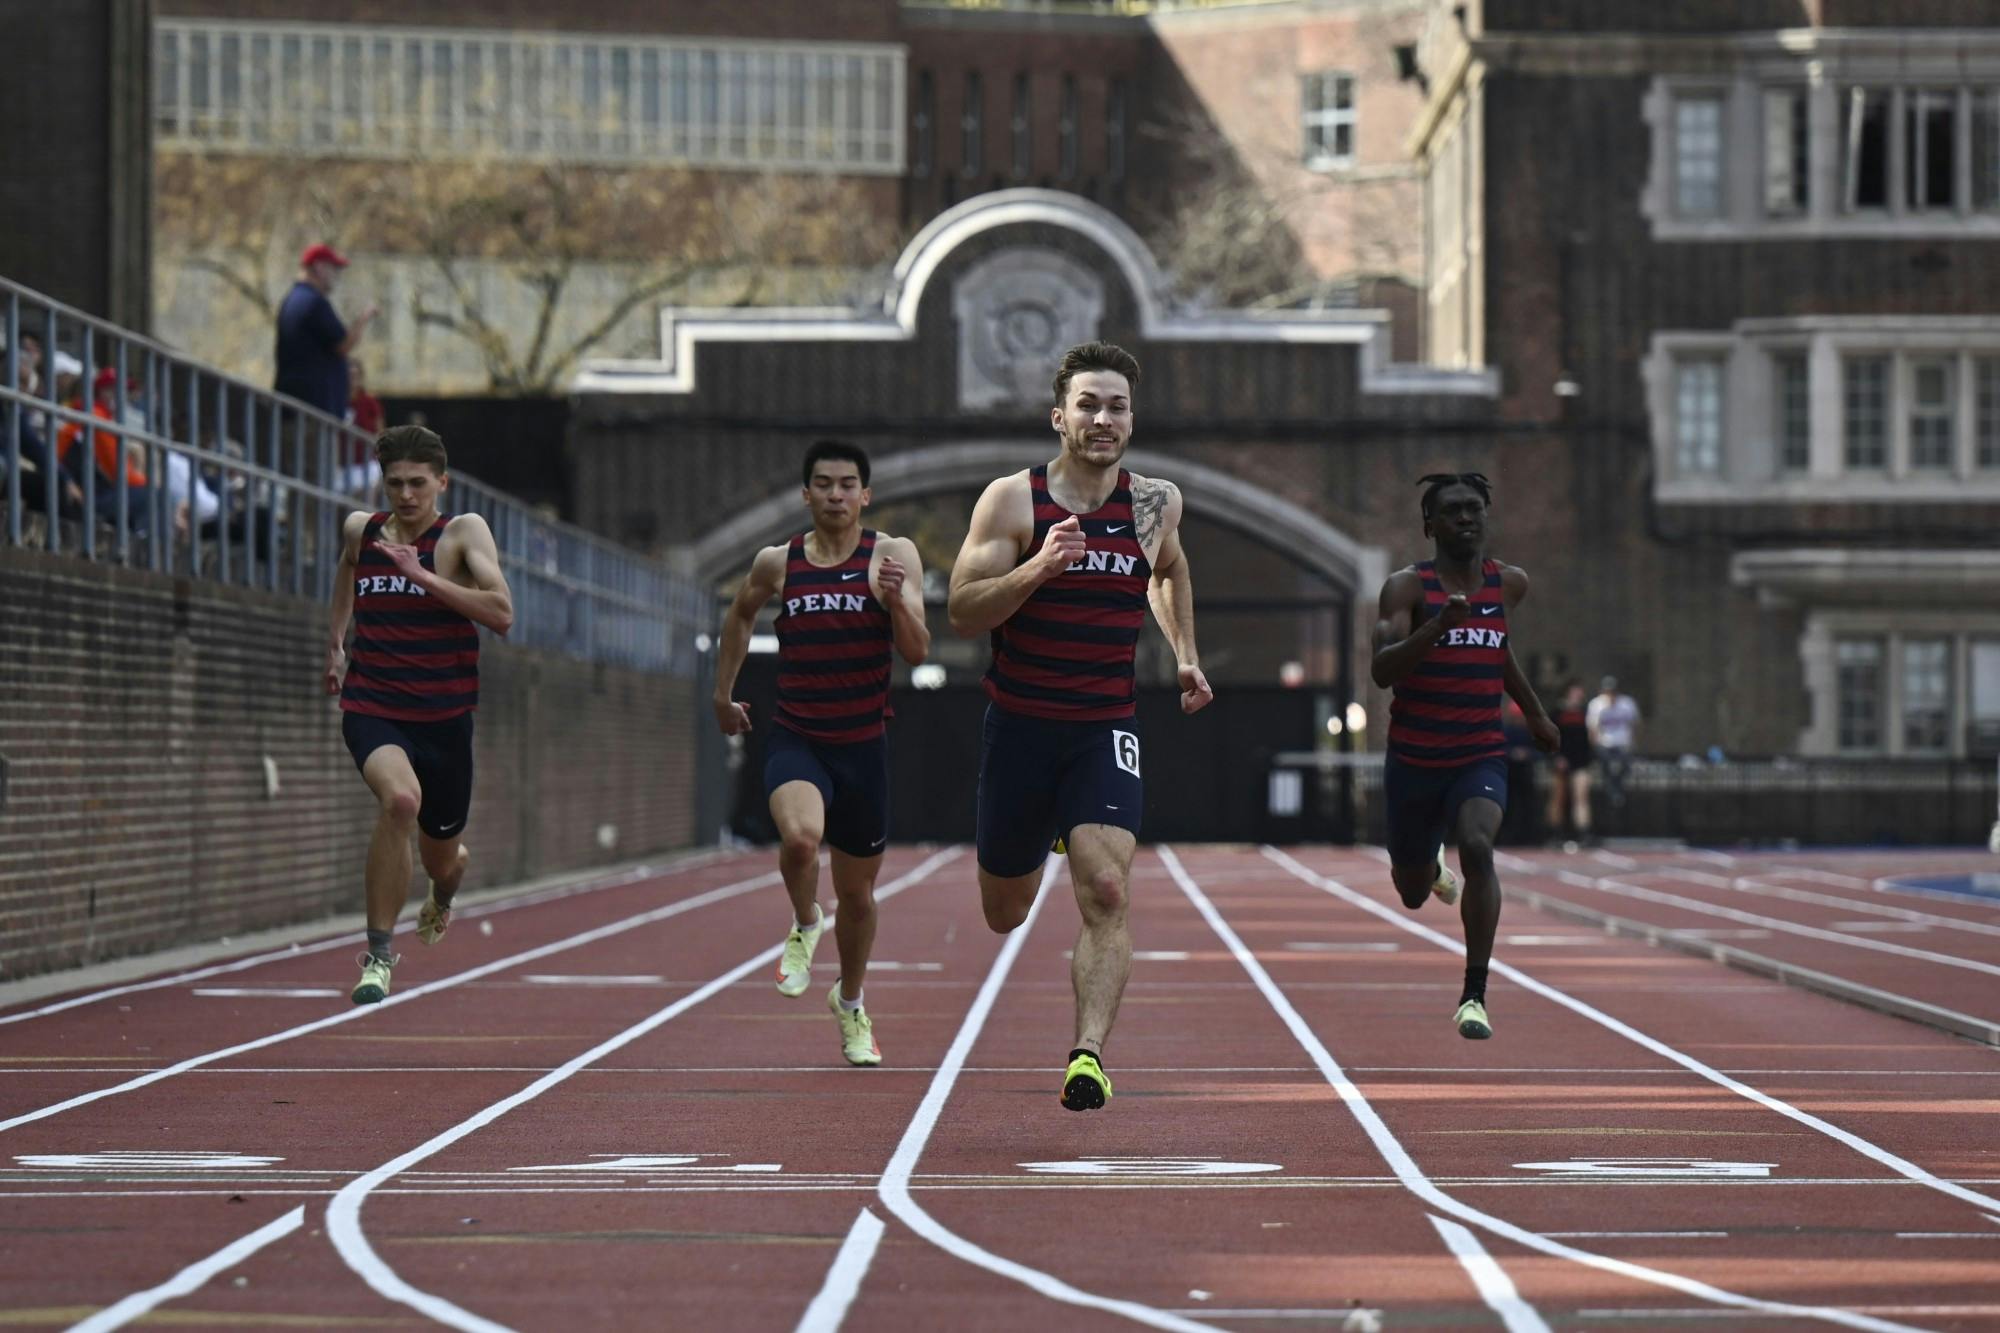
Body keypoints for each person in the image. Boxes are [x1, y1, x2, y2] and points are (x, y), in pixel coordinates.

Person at [946, 341, 1212, 1112]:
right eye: (1089, 405)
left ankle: (1088, 1053)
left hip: (1104, 726)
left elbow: (1168, 569)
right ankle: (1049, 826)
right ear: (1058, 416)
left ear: (1132, 419)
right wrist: (1038, 569)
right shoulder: (1013, 501)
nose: (1103, 418)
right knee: (1005, 912)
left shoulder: (1155, 501)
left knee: (1106, 887)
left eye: (1117, 406)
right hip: (1021, 728)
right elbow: (963, 610)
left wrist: (1185, 655)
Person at [711, 440, 930, 1066]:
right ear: (805, 494)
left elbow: (916, 651)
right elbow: (739, 617)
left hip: (862, 745)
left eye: (847, 485)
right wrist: (722, 695)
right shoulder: (777, 562)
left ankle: (852, 1002)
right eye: (824, 485)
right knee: (802, 841)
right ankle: (806, 920)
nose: (836, 495)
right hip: (797, 736)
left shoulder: (893, 555)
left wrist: (896, 603)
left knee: (858, 898)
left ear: (866, 495)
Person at [325, 425, 512, 1005]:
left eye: (417, 484)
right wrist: (335, 643)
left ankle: (443, 892)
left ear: (441, 483)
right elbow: (346, 580)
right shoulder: (363, 529)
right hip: (374, 704)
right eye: (395, 483)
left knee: (444, 858)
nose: (405, 495)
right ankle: (378, 955)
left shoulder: (461, 534)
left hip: (445, 717)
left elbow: (502, 612)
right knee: (400, 802)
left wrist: (423, 576)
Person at [1370, 472, 1559, 1041]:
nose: (1466, 520)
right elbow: (1382, 671)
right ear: (1430, 525)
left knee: (1478, 846)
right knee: (1409, 891)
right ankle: (1428, 869)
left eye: (1475, 509)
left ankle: (1474, 993)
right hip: (1414, 758)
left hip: (1479, 751)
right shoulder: (1406, 589)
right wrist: (1436, 627)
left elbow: (1497, 651)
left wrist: (1534, 712)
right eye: (1452, 511)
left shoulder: (1509, 584)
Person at [276, 243, 377, 423]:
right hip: (313, 415)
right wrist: (364, 317)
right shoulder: (314, 301)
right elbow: (343, 345)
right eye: (334, 269)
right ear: (319, 267)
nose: (336, 276)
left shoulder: (293, 298)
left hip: (298, 411)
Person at [1586, 675, 1641, 824]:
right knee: (1606, 766)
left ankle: (1616, 790)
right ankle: (1613, 792)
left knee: (1626, 764)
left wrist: (1633, 742)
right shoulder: (1596, 704)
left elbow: (1634, 725)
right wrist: (1595, 745)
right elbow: (1592, 728)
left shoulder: (1627, 703)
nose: (1610, 694)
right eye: (1607, 691)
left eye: (1612, 691)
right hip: (1604, 743)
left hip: (1622, 742)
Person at [1548, 679, 1593, 846]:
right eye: (1575, 691)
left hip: (1580, 760)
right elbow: (1549, 736)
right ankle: (1555, 833)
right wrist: (1556, 757)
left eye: (1580, 691)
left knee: (1581, 796)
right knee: (1558, 798)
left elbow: (1591, 736)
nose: (1578, 695)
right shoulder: (1557, 713)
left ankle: (1583, 832)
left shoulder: (1586, 712)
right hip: (1561, 760)